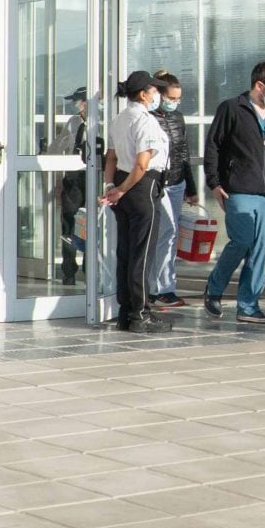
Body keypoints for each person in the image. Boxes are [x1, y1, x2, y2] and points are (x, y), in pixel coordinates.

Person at [202, 61, 265, 322]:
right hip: (238, 189)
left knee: (260, 248)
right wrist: (215, 183)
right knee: (242, 241)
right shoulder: (232, 108)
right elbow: (213, 147)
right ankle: (215, 287)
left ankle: (248, 305)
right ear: (259, 85)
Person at [99, 71, 170, 333]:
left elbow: (111, 159)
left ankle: (125, 311)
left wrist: (111, 187)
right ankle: (140, 313)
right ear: (143, 94)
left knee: (126, 252)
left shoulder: (119, 120)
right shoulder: (145, 121)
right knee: (142, 252)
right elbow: (142, 164)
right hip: (141, 186)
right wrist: (122, 190)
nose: (157, 96)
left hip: (122, 183)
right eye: (155, 91)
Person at [150, 72, 193, 308]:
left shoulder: (178, 118)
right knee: (162, 234)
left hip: (177, 182)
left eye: (178, 98)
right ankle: (159, 288)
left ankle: (164, 287)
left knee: (170, 234)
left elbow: (183, 152)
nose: (174, 102)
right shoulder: (148, 118)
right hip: (157, 182)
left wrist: (191, 186)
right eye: (171, 97)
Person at [51, 87, 90, 289]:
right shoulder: (73, 122)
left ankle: (90, 269)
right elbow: (58, 149)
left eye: (79, 101)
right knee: (68, 226)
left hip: (92, 178)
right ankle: (68, 271)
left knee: (91, 227)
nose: (77, 105)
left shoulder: (101, 123)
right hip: (73, 179)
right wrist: (58, 183)